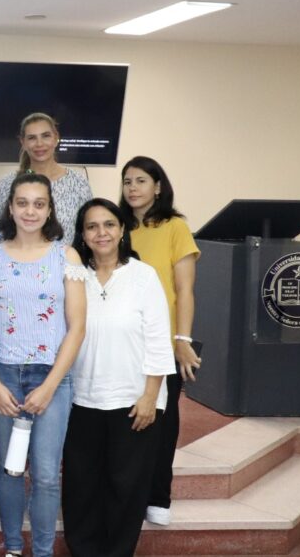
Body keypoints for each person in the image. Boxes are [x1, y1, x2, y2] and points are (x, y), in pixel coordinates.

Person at [62, 199, 174, 557]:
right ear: (82, 234)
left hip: (133, 401)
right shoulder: (73, 277)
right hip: (81, 399)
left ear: (122, 229)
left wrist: (150, 396)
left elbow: (159, 340)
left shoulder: (143, 276)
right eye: (92, 226)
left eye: (109, 224)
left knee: (126, 488)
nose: (101, 233)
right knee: (81, 486)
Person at [0, 172, 87, 557]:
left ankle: (42, 552)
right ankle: (13, 547)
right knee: (10, 469)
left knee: (45, 475)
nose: (30, 211)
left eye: (39, 204)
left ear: (49, 210)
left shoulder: (66, 256)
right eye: (22, 203)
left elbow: (77, 328)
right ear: (10, 208)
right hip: (4, 376)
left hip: (51, 377)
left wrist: (49, 386)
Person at [119, 156, 201, 527]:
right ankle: (128, 495)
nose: (132, 188)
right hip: (124, 344)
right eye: (127, 181)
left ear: (157, 186)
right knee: (128, 423)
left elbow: (184, 290)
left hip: (163, 343)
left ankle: (158, 497)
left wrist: (182, 339)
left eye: (140, 181)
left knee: (162, 425)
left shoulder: (174, 227)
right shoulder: (119, 228)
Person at [0, 113, 92, 245]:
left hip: (65, 257)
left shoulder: (78, 184)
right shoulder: (7, 184)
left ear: (56, 137)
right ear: (23, 142)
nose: (39, 144)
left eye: (46, 136)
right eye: (32, 138)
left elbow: (88, 229)